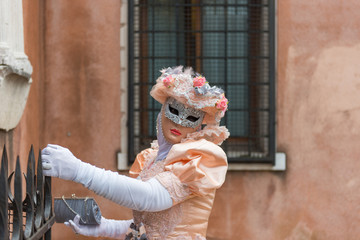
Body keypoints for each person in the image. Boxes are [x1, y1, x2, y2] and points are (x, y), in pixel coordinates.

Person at [41, 66, 230, 239]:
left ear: (199, 126)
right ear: (163, 111)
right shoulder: (151, 158)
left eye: (191, 117)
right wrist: (105, 227)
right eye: (174, 110)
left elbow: (150, 198)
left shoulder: (200, 158)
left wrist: (79, 171)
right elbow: (152, 226)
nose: (179, 123)